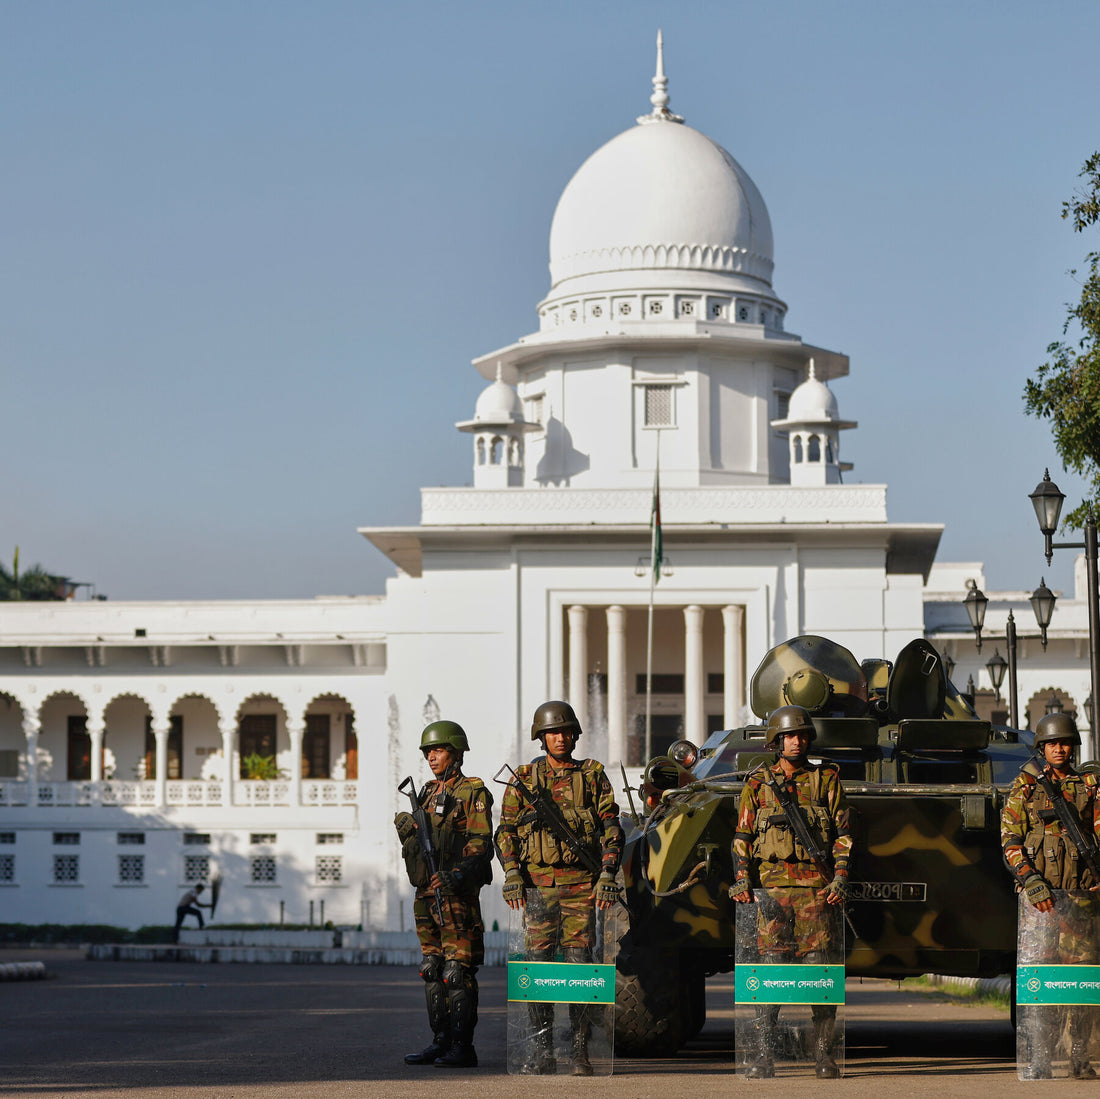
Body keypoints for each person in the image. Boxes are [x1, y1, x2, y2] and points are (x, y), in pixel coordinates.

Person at [497, 700, 623, 1076]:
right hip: (537, 887)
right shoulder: (524, 779)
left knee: (580, 966)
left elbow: (612, 828)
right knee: (539, 969)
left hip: (581, 887)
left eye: (567, 731)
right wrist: (512, 874)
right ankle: (543, 1048)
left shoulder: (593, 774)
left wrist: (607, 875)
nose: (561, 738)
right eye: (554, 732)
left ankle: (580, 1048)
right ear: (541, 737)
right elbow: (505, 831)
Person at [730, 705, 852, 1079]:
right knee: (771, 974)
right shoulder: (758, 784)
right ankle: (763, 1055)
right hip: (771, 893)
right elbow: (742, 837)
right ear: (776, 741)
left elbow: (843, 836)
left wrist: (840, 877)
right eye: (789, 736)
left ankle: (824, 1056)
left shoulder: (826, 780)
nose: (796, 742)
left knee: (820, 973)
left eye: (801, 736)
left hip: (816, 891)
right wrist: (741, 879)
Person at [1001, 711, 1100, 1080]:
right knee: (1041, 983)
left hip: (1081, 899)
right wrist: (1030, 879)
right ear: (1042, 748)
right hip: (1040, 904)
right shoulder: (1026, 786)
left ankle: (1080, 1056)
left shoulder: (1090, 785)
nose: (1060, 749)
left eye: (1065, 743)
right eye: (1053, 743)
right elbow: (1010, 841)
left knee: (1080, 982)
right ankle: (1040, 1055)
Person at [395, 720, 494, 1070]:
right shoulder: (425, 792)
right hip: (426, 895)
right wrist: (406, 830)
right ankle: (440, 1042)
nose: (431, 757)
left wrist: (455, 875)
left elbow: (481, 844)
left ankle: (463, 1047)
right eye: (428, 752)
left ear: (456, 753)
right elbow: (421, 846)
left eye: (437, 751)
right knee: (432, 968)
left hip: (456, 896)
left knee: (457, 971)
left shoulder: (473, 792)